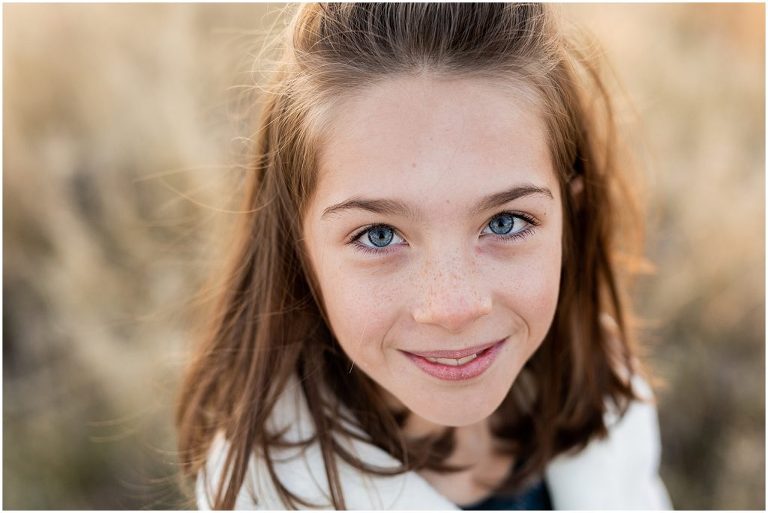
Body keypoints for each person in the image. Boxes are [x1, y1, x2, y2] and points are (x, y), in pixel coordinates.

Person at [176, 3, 672, 510]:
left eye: (505, 223)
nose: (453, 307)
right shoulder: (262, 496)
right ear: (297, 250)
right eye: (378, 235)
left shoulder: (607, 391)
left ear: (572, 217)